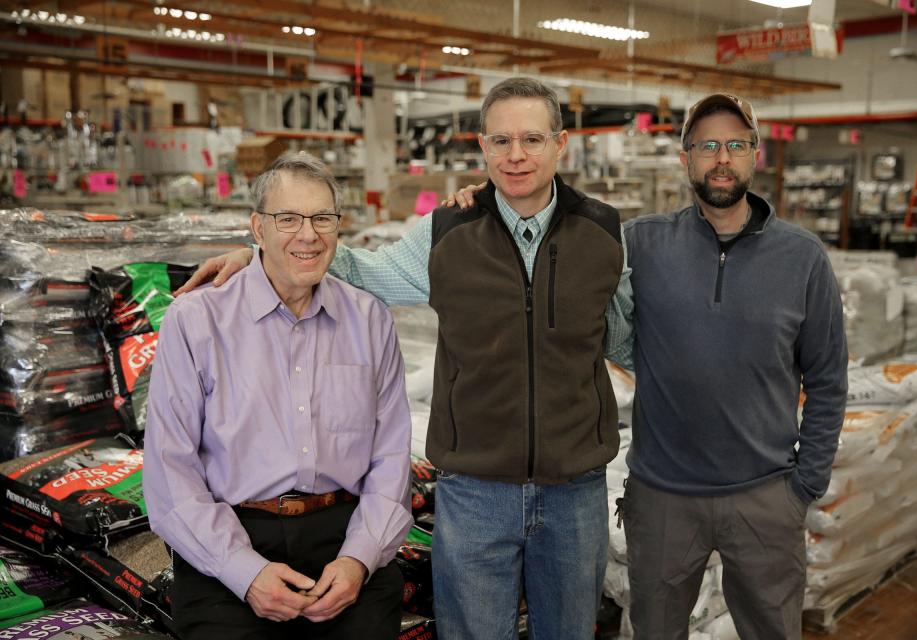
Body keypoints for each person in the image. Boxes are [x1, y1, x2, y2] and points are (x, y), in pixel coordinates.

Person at [175, 77, 634, 640]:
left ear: (561, 144)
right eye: (501, 141)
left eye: (533, 139)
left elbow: (624, 336)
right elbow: (363, 270)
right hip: (475, 493)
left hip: (575, 492)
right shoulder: (447, 232)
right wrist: (263, 251)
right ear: (482, 148)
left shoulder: (604, 232)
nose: (516, 155)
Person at [448, 93, 848, 640]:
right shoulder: (641, 242)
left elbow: (827, 379)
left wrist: (805, 484)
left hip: (766, 494)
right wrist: (487, 200)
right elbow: (553, 230)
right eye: (706, 145)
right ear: (686, 157)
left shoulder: (802, 258)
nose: (721, 158)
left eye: (735, 144)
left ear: (756, 155)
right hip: (663, 497)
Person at [143, 151, 412, 640]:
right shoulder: (197, 320)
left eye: (322, 218)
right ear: (257, 228)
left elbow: (391, 456)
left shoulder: (370, 320)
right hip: (232, 538)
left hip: (342, 534)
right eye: (287, 218)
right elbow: (170, 472)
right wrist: (245, 573)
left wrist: (358, 559)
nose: (307, 234)